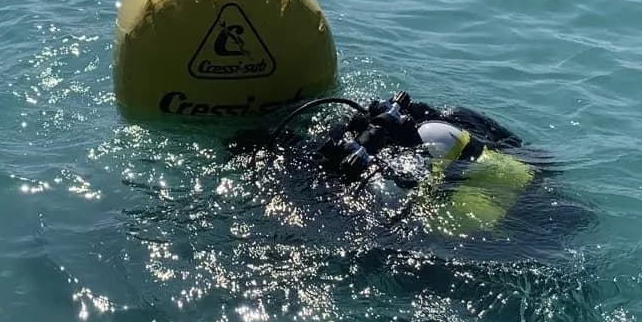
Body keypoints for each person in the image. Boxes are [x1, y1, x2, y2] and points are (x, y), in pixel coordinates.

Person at [230, 90, 591, 250]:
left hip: (509, 243)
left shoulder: (392, 183)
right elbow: (529, 155)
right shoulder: (448, 126)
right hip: (550, 210)